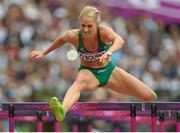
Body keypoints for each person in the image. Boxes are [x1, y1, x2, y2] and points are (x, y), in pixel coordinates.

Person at [29, 6, 157, 121]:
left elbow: (120, 40)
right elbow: (61, 39)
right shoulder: (74, 36)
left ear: (97, 24)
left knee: (150, 96)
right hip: (89, 74)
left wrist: (109, 52)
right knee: (79, 82)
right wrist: (44, 53)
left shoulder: (104, 32)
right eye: (82, 25)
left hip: (110, 72)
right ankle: (62, 109)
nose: (85, 29)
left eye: (89, 26)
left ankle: (132, 100)